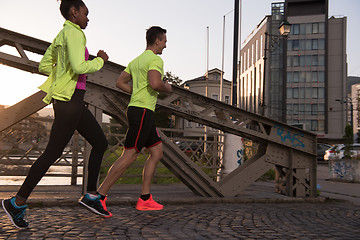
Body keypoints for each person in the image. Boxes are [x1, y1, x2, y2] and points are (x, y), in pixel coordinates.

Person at [2, 0, 110, 229]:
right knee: (52, 153)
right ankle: (17, 201)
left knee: (99, 143)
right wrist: (100, 60)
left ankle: (90, 195)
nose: (88, 18)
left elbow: (43, 65)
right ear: (74, 12)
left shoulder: (61, 36)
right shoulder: (75, 33)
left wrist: (61, 71)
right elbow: (80, 68)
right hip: (70, 100)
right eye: (85, 13)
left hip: (70, 101)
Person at [79, 26, 172, 215]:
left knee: (157, 152)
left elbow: (119, 82)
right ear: (157, 41)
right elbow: (155, 83)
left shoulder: (136, 61)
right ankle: (99, 197)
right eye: (164, 41)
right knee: (129, 156)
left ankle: (145, 199)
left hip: (140, 110)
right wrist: (167, 88)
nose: (165, 45)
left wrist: (136, 91)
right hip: (143, 111)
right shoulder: (155, 59)